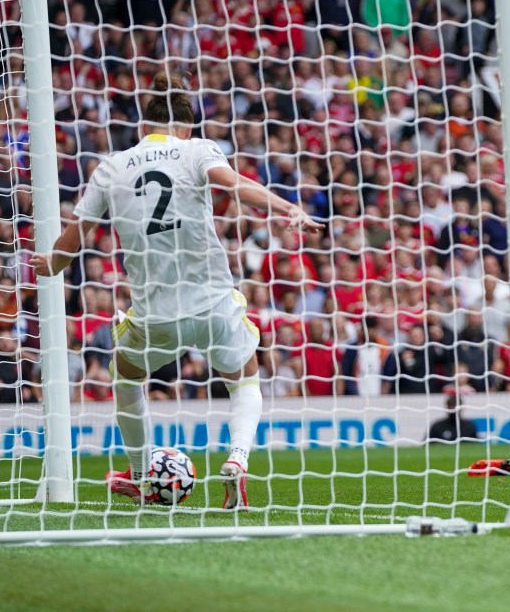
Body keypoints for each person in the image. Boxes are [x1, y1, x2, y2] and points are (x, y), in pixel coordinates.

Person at [31, 73, 323, 508]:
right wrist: (287, 208)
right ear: (185, 127)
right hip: (213, 305)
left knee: (126, 379)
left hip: (155, 316)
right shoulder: (196, 149)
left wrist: (50, 265)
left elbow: (75, 236)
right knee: (244, 381)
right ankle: (238, 460)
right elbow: (234, 184)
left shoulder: (111, 166)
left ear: (145, 125)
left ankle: (143, 470)